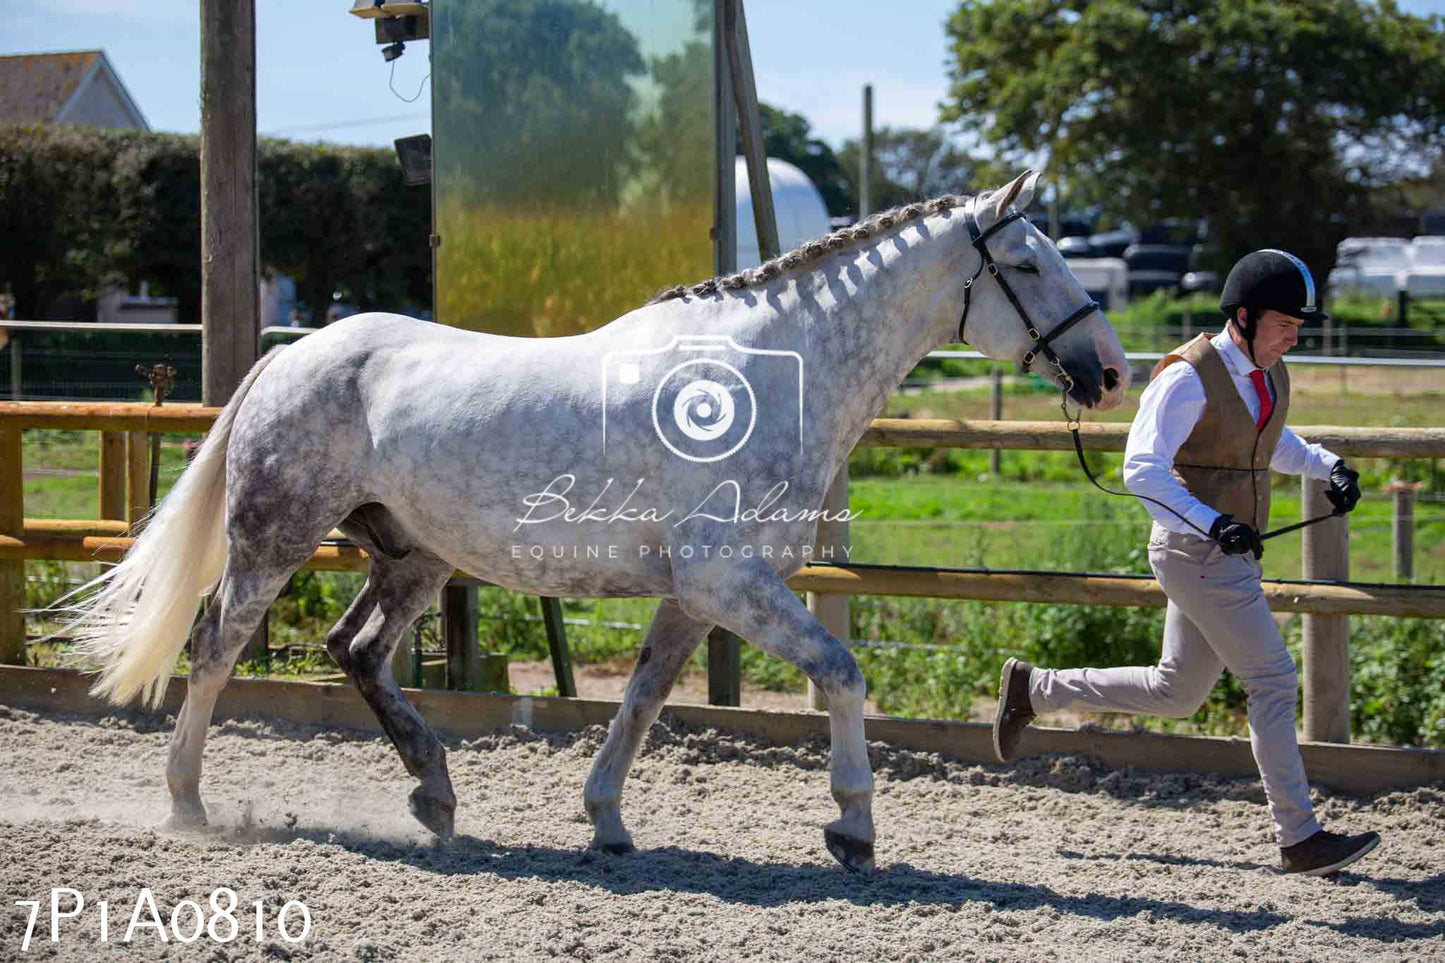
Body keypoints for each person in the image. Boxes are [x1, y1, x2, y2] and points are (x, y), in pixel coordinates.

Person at [992, 249, 1378, 877]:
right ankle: (1299, 836)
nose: (1293, 335)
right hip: (1197, 551)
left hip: (1223, 551)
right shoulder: (1188, 377)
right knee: (1275, 680)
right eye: (1284, 322)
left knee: (1178, 691)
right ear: (1245, 317)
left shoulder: (1266, 372)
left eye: (1299, 326)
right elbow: (1140, 470)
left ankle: (1034, 689)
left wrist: (1326, 465)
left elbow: (1267, 439)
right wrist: (1213, 521)